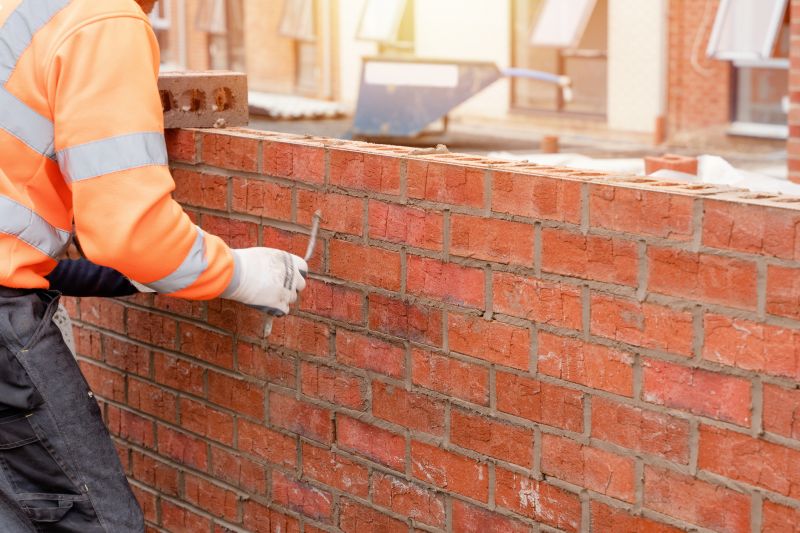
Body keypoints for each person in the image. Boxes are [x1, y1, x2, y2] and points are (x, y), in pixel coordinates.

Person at [0, 0, 307, 530]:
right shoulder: (104, 19)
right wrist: (240, 272)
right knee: (97, 521)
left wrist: (133, 275)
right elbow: (131, 234)